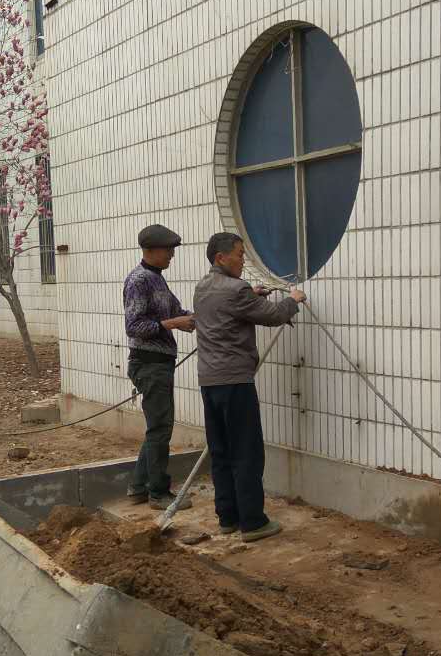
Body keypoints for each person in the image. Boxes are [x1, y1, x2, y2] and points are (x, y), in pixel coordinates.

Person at [193, 233, 305, 542]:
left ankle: (228, 518)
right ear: (221, 258)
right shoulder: (236, 289)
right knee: (246, 452)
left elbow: (231, 306)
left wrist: (251, 295)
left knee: (221, 452)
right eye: (240, 254)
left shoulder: (203, 286)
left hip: (209, 381)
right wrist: (293, 299)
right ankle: (253, 522)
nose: (243, 260)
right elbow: (274, 315)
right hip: (235, 382)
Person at [123, 224, 196, 510]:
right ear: (151, 250)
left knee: (157, 428)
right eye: (168, 250)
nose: (171, 255)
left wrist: (201, 315)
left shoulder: (157, 279)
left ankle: (138, 487)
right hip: (149, 364)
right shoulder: (139, 281)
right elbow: (135, 326)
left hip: (159, 363)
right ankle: (159, 493)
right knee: (160, 430)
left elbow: (178, 312)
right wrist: (174, 324)